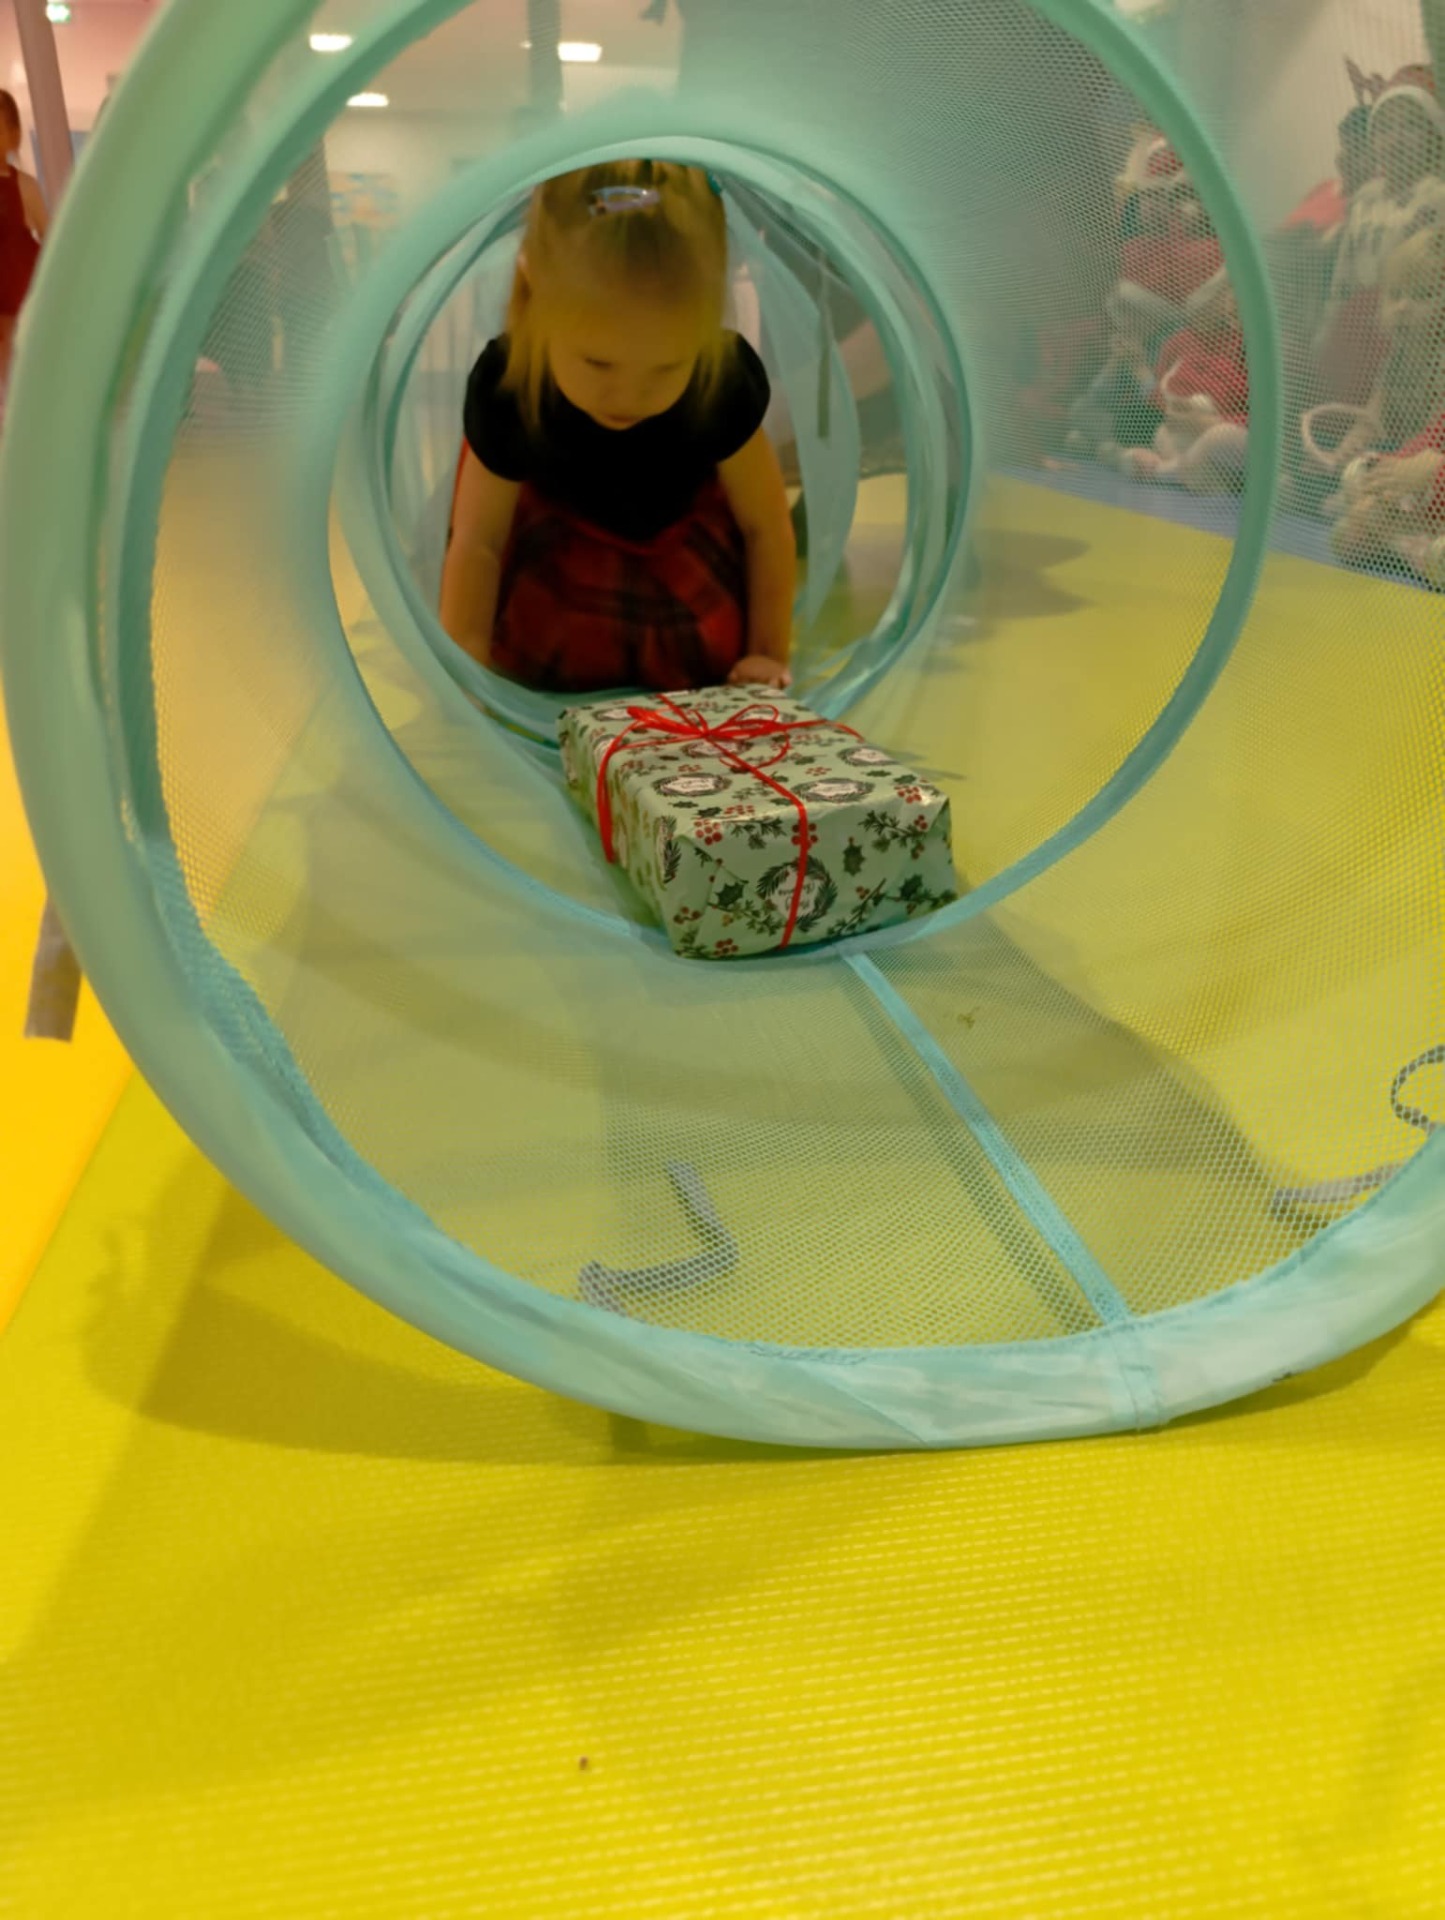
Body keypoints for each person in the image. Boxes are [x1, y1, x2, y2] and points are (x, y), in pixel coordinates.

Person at [441, 160, 796, 694]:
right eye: (598, 363)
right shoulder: (510, 386)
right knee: (548, 636)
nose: (629, 396)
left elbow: (765, 526)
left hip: (678, 552)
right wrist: (463, 670)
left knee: (705, 641)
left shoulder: (720, 380)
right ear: (535, 286)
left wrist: (767, 653)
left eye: (667, 367)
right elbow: (478, 541)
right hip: (560, 563)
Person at [1312, 69, 1445, 406]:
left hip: (1411, 324)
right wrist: (1328, 328)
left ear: (1433, 134)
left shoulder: (1435, 197)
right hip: (1358, 323)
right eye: (1384, 129)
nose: (1395, 139)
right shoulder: (1366, 197)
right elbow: (1344, 272)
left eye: (1410, 126)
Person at [1114, 273, 1249, 491]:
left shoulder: (1249, 350)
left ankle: (1163, 471)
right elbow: (1163, 401)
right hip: (1195, 433)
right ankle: (1203, 477)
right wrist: (1181, 410)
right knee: (1164, 433)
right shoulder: (1179, 342)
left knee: (1220, 435)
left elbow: (1266, 419)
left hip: (1234, 435)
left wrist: (1209, 421)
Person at [0, 91, 47, 397]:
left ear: (14, 136)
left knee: (15, 360)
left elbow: (50, 238)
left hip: (17, 289)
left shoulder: (24, 185)